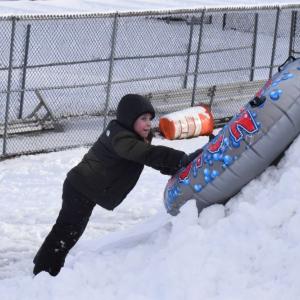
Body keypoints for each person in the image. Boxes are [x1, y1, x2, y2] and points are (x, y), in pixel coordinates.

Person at [33, 94, 202, 276]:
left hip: (83, 186)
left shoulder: (128, 135)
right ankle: (45, 270)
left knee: (68, 229)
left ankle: (44, 264)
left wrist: (174, 166)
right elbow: (147, 154)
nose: (148, 124)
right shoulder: (121, 138)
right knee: (68, 231)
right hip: (80, 187)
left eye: (150, 119)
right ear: (129, 119)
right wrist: (181, 159)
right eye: (143, 119)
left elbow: (148, 157)